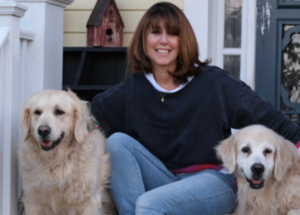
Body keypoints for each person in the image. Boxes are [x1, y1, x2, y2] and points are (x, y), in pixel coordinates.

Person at [91, 2, 300, 215]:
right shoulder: (131, 91)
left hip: (212, 182)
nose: (163, 40)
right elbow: (87, 120)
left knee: (148, 204)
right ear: (144, 40)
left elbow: (279, 124)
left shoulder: (215, 83)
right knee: (117, 142)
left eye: (172, 33)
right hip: (162, 179)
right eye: (155, 32)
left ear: (184, 41)